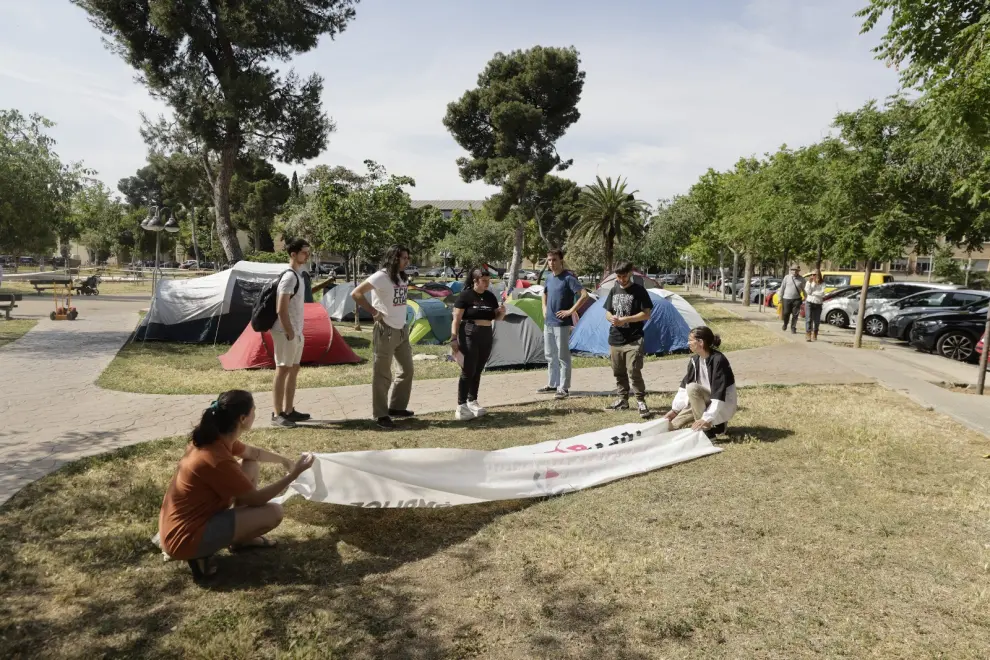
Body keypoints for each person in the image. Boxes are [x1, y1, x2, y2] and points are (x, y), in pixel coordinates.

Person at [157, 390, 316, 581]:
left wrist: (284, 461)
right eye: (254, 410)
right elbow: (257, 499)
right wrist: (294, 474)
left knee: (250, 465)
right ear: (242, 418)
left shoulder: (214, 438)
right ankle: (198, 556)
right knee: (274, 512)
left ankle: (242, 540)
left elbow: (253, 454)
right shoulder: (216, 459)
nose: (255, 414)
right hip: (183, 539)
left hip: (184, 524)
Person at [351, 245, 415, 430]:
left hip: (402, 329)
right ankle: (381, 414)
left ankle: (396, 407)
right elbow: (356, 293)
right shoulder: (381, 276)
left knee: (407, 370)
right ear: (394, 258)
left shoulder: (402, 277)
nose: (406, 261)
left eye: (407, 258)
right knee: (382, 374)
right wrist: (373, 311)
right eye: (404, 258)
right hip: (385, 330)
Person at [451, 267, 507, 420]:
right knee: (468, 368)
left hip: (486, 333)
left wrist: (502, 312)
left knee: (478, 368)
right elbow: (456, 319)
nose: (487, 283)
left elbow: (497, 318)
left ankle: (472, 400)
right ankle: (461, 406)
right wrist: (453, 338)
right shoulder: (465, 295)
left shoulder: (490, 296)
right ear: (475, 281)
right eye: (484, 281)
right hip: (469, 332)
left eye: (488, 281)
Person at [664, 326, 738, 439]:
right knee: (670, 426)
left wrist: (706, 418)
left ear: (701, 342)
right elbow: (684, 387)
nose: (688, 343)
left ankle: (707, 431)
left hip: (721, 403)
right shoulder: (694, 360)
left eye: (690, 340)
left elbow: (719, 394)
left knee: (693, 388)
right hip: (703, 401)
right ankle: (717, 425)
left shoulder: (719, 360)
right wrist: (675, 410)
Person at [603, 261, 655, 418]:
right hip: (615, 338)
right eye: (618, 276)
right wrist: (611, 318)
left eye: (624, 276)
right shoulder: (613, 290)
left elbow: (646, 314)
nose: (621, 279)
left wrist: (626, 319)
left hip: (634, 338)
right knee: (618, 371)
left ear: (630, 273)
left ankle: (640, 401)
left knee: (633, 371)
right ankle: (622, 399)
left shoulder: (639, 291)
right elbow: (607, 312)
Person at [271, 239, 311, 428]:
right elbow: (281, 308)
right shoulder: (289, 277)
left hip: (295, 331)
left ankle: (289, 410)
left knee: (293, 369)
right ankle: (277, 413)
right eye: (304, 252)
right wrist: (289, 332)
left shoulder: (299, 275)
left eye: (308, 252)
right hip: (285, 331)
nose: (307, 255)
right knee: (283, 369)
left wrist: (296, 332)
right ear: (293, 254)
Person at [538, 248, 588, 400]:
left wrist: (571, 311)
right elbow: (544, 293)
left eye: (554, 260)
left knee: (562, 356)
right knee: (550, 355)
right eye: (549, 260)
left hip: (562, 324)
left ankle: (564, 388)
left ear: (561, 261)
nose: (551, 263)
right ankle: (553, 383)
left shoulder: (568, 278)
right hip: (549, 323)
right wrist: (544, 308)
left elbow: (584, 295)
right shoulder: (549, 277)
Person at [778, 265, 806, 334]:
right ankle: (785, 324)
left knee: (795, 315)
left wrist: (806, 297)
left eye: (796, 270)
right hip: (786, 298)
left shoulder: (802, 279)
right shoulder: (786, 277)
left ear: (798, 271)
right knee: (786, 313)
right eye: (793, 270)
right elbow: (782, 288)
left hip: (797, 299)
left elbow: (804, 290)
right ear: (790, 270)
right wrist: (780, 298)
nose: (794, 271)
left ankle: (793, 327)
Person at [804, 269, 825, 342]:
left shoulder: (822, 283)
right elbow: (808, 292)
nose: (812, 276)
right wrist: (811, 284)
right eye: (811, 275)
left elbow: (822, 294)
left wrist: (813, 293)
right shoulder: (808, 282)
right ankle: (808, 334)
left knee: (816, 321)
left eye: (814, 274)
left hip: (818, 303)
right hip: (809, 302)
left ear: (818, 275)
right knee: (808, 319)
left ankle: (815, 333)